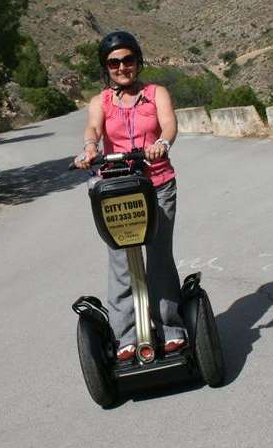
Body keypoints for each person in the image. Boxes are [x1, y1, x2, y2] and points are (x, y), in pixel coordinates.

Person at [74, 30, 186, 361]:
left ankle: (171, 328)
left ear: (137, 61)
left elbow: (169, 126)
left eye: (128, 60)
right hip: (117, 188)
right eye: (114, 62)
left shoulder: (156, 93)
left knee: (159, 256)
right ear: (105, 67)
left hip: (157, 182)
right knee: (121, 260)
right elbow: (93, 128)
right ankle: (126, 334)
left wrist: (161, 145)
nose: (122, 67)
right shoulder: (100, 102)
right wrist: (90, 148)